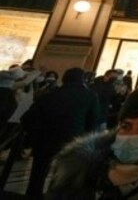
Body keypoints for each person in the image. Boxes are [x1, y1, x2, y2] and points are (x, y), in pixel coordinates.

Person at [22, 67, 100, 198]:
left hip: (45, 139)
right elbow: (93, 122)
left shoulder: (50, 94)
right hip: (72, 140)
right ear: (82, 80)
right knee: (61, 176)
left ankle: (32, 196)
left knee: (38, 173)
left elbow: (29, 118)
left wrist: (33, 137)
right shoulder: (90, 96)